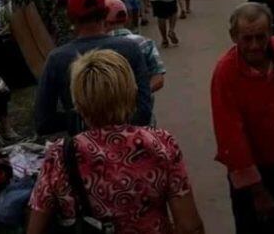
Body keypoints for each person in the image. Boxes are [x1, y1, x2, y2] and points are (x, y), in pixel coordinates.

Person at [28, 50, 204, 234]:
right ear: (131, 92)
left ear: (78, 103)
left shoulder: (60, 156)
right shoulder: (161, 143)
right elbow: (189, 225)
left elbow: (35, 227)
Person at [211, 3, 274, 234]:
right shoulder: (226, 72)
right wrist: (257, 191)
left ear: (271, 32)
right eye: (247, 39)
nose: (255, 46)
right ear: (234, 37)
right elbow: (230, 138)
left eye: (261, 37)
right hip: (253, 174)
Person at [34, 0, 152, 135]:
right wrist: (120, 129)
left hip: (83, 153)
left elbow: (43, 122)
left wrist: (81, 121)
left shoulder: (57, 59)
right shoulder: (130, 49)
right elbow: (144, 111)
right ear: (105, 13)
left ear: (70, 18)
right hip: (131, 149)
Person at [105, 0, 166, 125]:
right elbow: (159, 79)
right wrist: (140, 93)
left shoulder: (97, 48)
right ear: (126, 18)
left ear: (103, 22)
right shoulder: (145, 42)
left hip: (108, 118)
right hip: (142, 116)